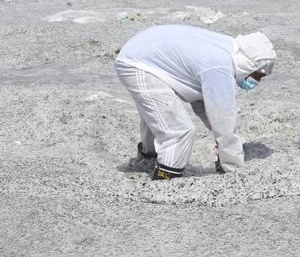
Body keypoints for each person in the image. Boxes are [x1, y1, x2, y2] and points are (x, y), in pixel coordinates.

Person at [115, 25, 276, 180]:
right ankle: (164, 181)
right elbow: (224, 118)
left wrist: (218, 135)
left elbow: (204, 103)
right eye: (258, 75)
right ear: (249, 63)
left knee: (159, 116)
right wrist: (232, 167)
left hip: (141, 53)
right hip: (137, 64)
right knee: (179, 132)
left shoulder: (225, 47)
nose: (257, 80)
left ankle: (148, 159)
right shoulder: (220, 66)